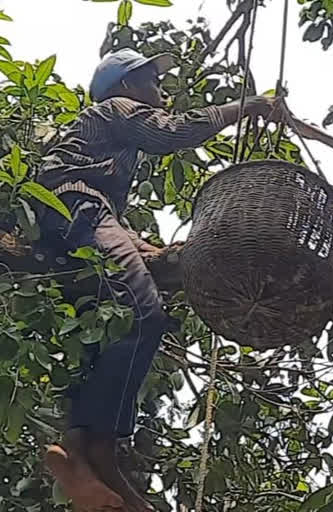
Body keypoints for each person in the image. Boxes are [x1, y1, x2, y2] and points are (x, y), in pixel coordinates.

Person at [35, 48, 281, 512]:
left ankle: (76, 456)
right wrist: (246, 106)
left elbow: (103, 212)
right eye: (153, 80)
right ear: (126, 85)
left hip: (71, 215)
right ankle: (102, 451)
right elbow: (173, 132)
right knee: (142, 313)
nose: (161, 91)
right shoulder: (116, 108)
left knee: (100, 332)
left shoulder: (102, 147)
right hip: (75, 205)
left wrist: (141, 246)